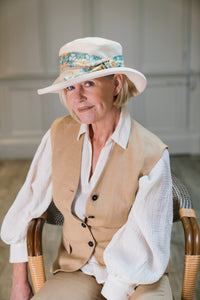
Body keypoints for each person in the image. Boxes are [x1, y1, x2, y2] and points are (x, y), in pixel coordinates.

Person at [1, 37, 173, 300]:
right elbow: (29, 202)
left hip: (139, 277)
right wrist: (18, 283)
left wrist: (112, 294)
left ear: (116, 84)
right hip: (77, 269)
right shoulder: (58, 135)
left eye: (88, 84)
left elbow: (143, 244)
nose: (77, 98)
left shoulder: (152, 154)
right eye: (70, 87)